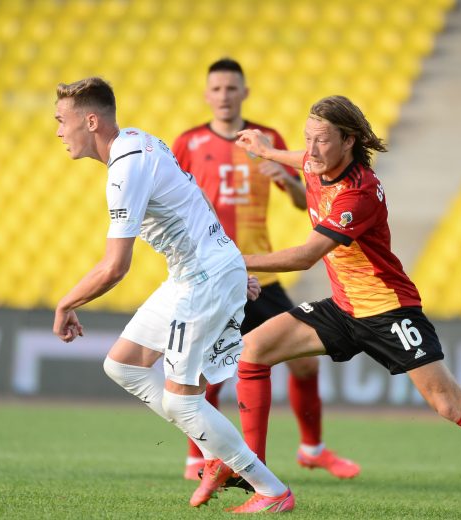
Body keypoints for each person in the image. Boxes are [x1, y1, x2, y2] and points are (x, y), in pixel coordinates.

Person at [220, 95, 461, 518]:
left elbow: (305, 256)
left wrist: (232, 259)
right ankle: (259, 480)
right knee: (253, 350)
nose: (311, 150)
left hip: (389, 311)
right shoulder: (319, 162)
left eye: (322, 140)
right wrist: (267, 150)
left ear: (348, 141)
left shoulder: (359, 193)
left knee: (451, 405)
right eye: (307, 138)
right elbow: (304, 160)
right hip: (345, 308)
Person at [51, 77, 294, 513]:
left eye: (61, 121)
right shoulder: (140, 140)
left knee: (182, 401)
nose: (58, 132)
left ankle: (272, 491)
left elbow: (115, 267)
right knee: (123, 365)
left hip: (203, 279)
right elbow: (195, 197)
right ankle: (216, 453)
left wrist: (66, 302)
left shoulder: (126, 168)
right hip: (195, 273)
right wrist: (230, 259)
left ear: (90, 121)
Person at [172, 58, 360, 484]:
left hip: (264, 275)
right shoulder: (188, 142)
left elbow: (302, 201)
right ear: (207, 95)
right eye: (217, 89)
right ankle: (197, 457)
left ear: (245, 93)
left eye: (231, 88)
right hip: (214, 274)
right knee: (207, 370)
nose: (224, 96)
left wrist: (289, 180)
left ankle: (312, 449)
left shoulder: (266, 139)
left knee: (305, 365)